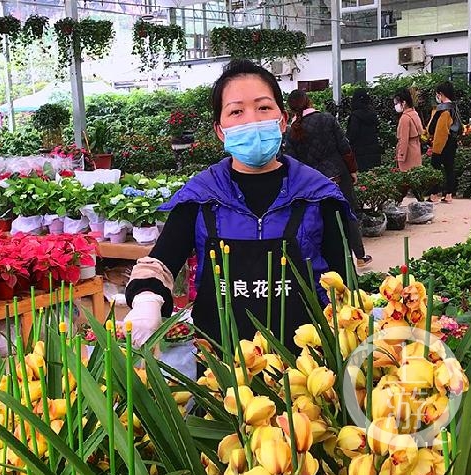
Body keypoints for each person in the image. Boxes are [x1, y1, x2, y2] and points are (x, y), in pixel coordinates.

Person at [123, 60, 354, 354]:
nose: (251, 121)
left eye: (263, 108)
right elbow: (159, 263)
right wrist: (147, 301)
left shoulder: (318, 195)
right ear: (220, 131)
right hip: (221, 370)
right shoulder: (202, 195)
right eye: (236, 111)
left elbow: (344, 282)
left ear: (283, 120)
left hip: (309, 372)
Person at [285, 89, 373, 267]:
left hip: (313, 181)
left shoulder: (291, 131)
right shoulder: (327, 118)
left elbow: (292, 161)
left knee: (320, 219)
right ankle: (360, 256)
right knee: (348, 214)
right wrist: (353, 170)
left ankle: (329, 260)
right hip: (339, 174)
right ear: (309, 101)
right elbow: (344, 147)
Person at [426, 81, 463, 203]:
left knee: (435, 168)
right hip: (452, 142)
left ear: (441, 94)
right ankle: (448, 195)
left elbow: (441, 131)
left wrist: (435, 148)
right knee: (449, 168)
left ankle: (434, 194)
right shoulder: (454, 107)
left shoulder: (443, 109)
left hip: (442, 142)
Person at [346, 88, 381, 172]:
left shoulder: (355, 116)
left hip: (360, 154)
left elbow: (352, 135)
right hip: (374, 152)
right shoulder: (372, 114)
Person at [394, 89, 424, 171]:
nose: (395, 106)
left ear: (403, 103)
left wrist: (400, 156)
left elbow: (404, 140)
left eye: (397, 103)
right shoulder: (414, 113)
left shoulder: (405, 118)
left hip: (408, 153)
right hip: (416, 149)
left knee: (407, 177)